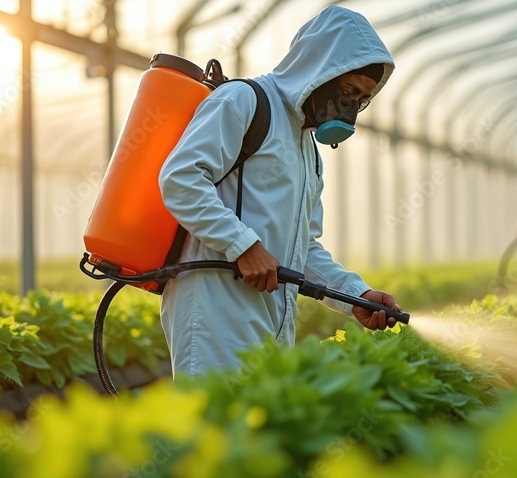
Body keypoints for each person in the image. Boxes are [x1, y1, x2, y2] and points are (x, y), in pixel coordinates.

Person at [157, 6, 400, 375]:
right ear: (321, 70)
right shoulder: (244, 101)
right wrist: (243, 245)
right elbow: (180, 179)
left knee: (259, 429)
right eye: (348, 91)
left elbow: (303, 248)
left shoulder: (308, 151)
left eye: (361, 99)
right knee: (214, 430)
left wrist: (356, 296)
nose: (351, 107)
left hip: (272, 316)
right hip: (214, 311)